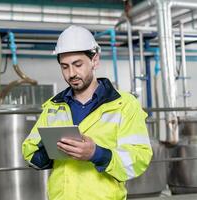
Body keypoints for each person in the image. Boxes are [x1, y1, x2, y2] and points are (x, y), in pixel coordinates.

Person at [22, 25, 153, 200]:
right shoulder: (54, 107)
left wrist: (96, 154)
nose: (72, 73)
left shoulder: (124, 105)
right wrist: (51, 150)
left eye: (78, 64)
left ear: (95, 61)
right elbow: (30, 152)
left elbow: (139, 158)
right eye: (65, 67)